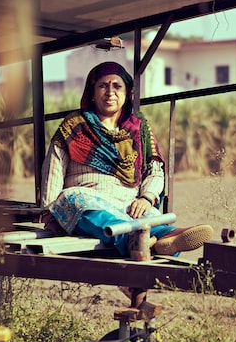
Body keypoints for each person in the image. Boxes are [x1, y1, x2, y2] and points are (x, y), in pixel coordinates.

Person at [40, 61, 213, 257]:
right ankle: (133, 241)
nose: (110, 92)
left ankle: (168, 238)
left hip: (128, 204)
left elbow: (154, 169)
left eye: (117, 86)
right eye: (103, 85)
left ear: (127, 92)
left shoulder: (139, 128)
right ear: (92, 92)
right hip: (86, 197)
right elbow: (53, 168)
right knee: (75, 202)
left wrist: (146, 198)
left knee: (149, 217)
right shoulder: (75, 125)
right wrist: (48, 214)